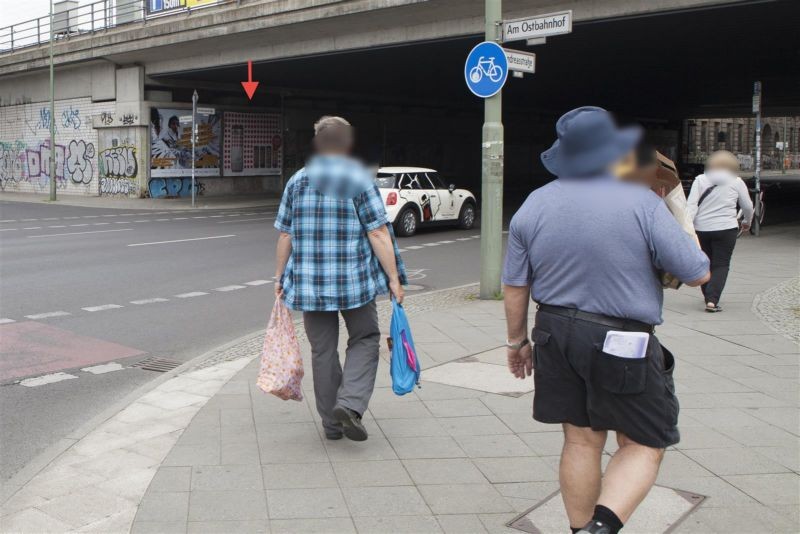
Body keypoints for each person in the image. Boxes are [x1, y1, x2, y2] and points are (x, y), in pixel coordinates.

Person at [502, 107, 710, 534]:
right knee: (645, 442)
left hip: (553, 335)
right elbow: (697, 273)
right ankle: (600, 529)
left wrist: (517, 342)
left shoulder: (534, 205)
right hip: (623, 340)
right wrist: (680, 217)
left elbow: (515, 285)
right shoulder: (641, 202)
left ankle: (580, 528)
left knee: (580, 439)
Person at [273, 116, 406, 442]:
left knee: (323, 351)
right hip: (354, 284)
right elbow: (377, 232)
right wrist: (394, 279)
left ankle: (332, 425)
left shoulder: (297, 182)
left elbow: (286, 235)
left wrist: (278, 278)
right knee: (364, 339)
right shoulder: (359, 179)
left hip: (309, 285)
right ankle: (349, 404)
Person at [686, 150, 754, 312]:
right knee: (721, 264)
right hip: (726, 228)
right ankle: (712, 299)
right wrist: (746, 221)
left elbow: (691, 205)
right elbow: (748, 206)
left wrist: (687, 226)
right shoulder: (736, 181)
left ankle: (707, 295)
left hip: (702, 228)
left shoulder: (700, 180)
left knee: (705, 262)